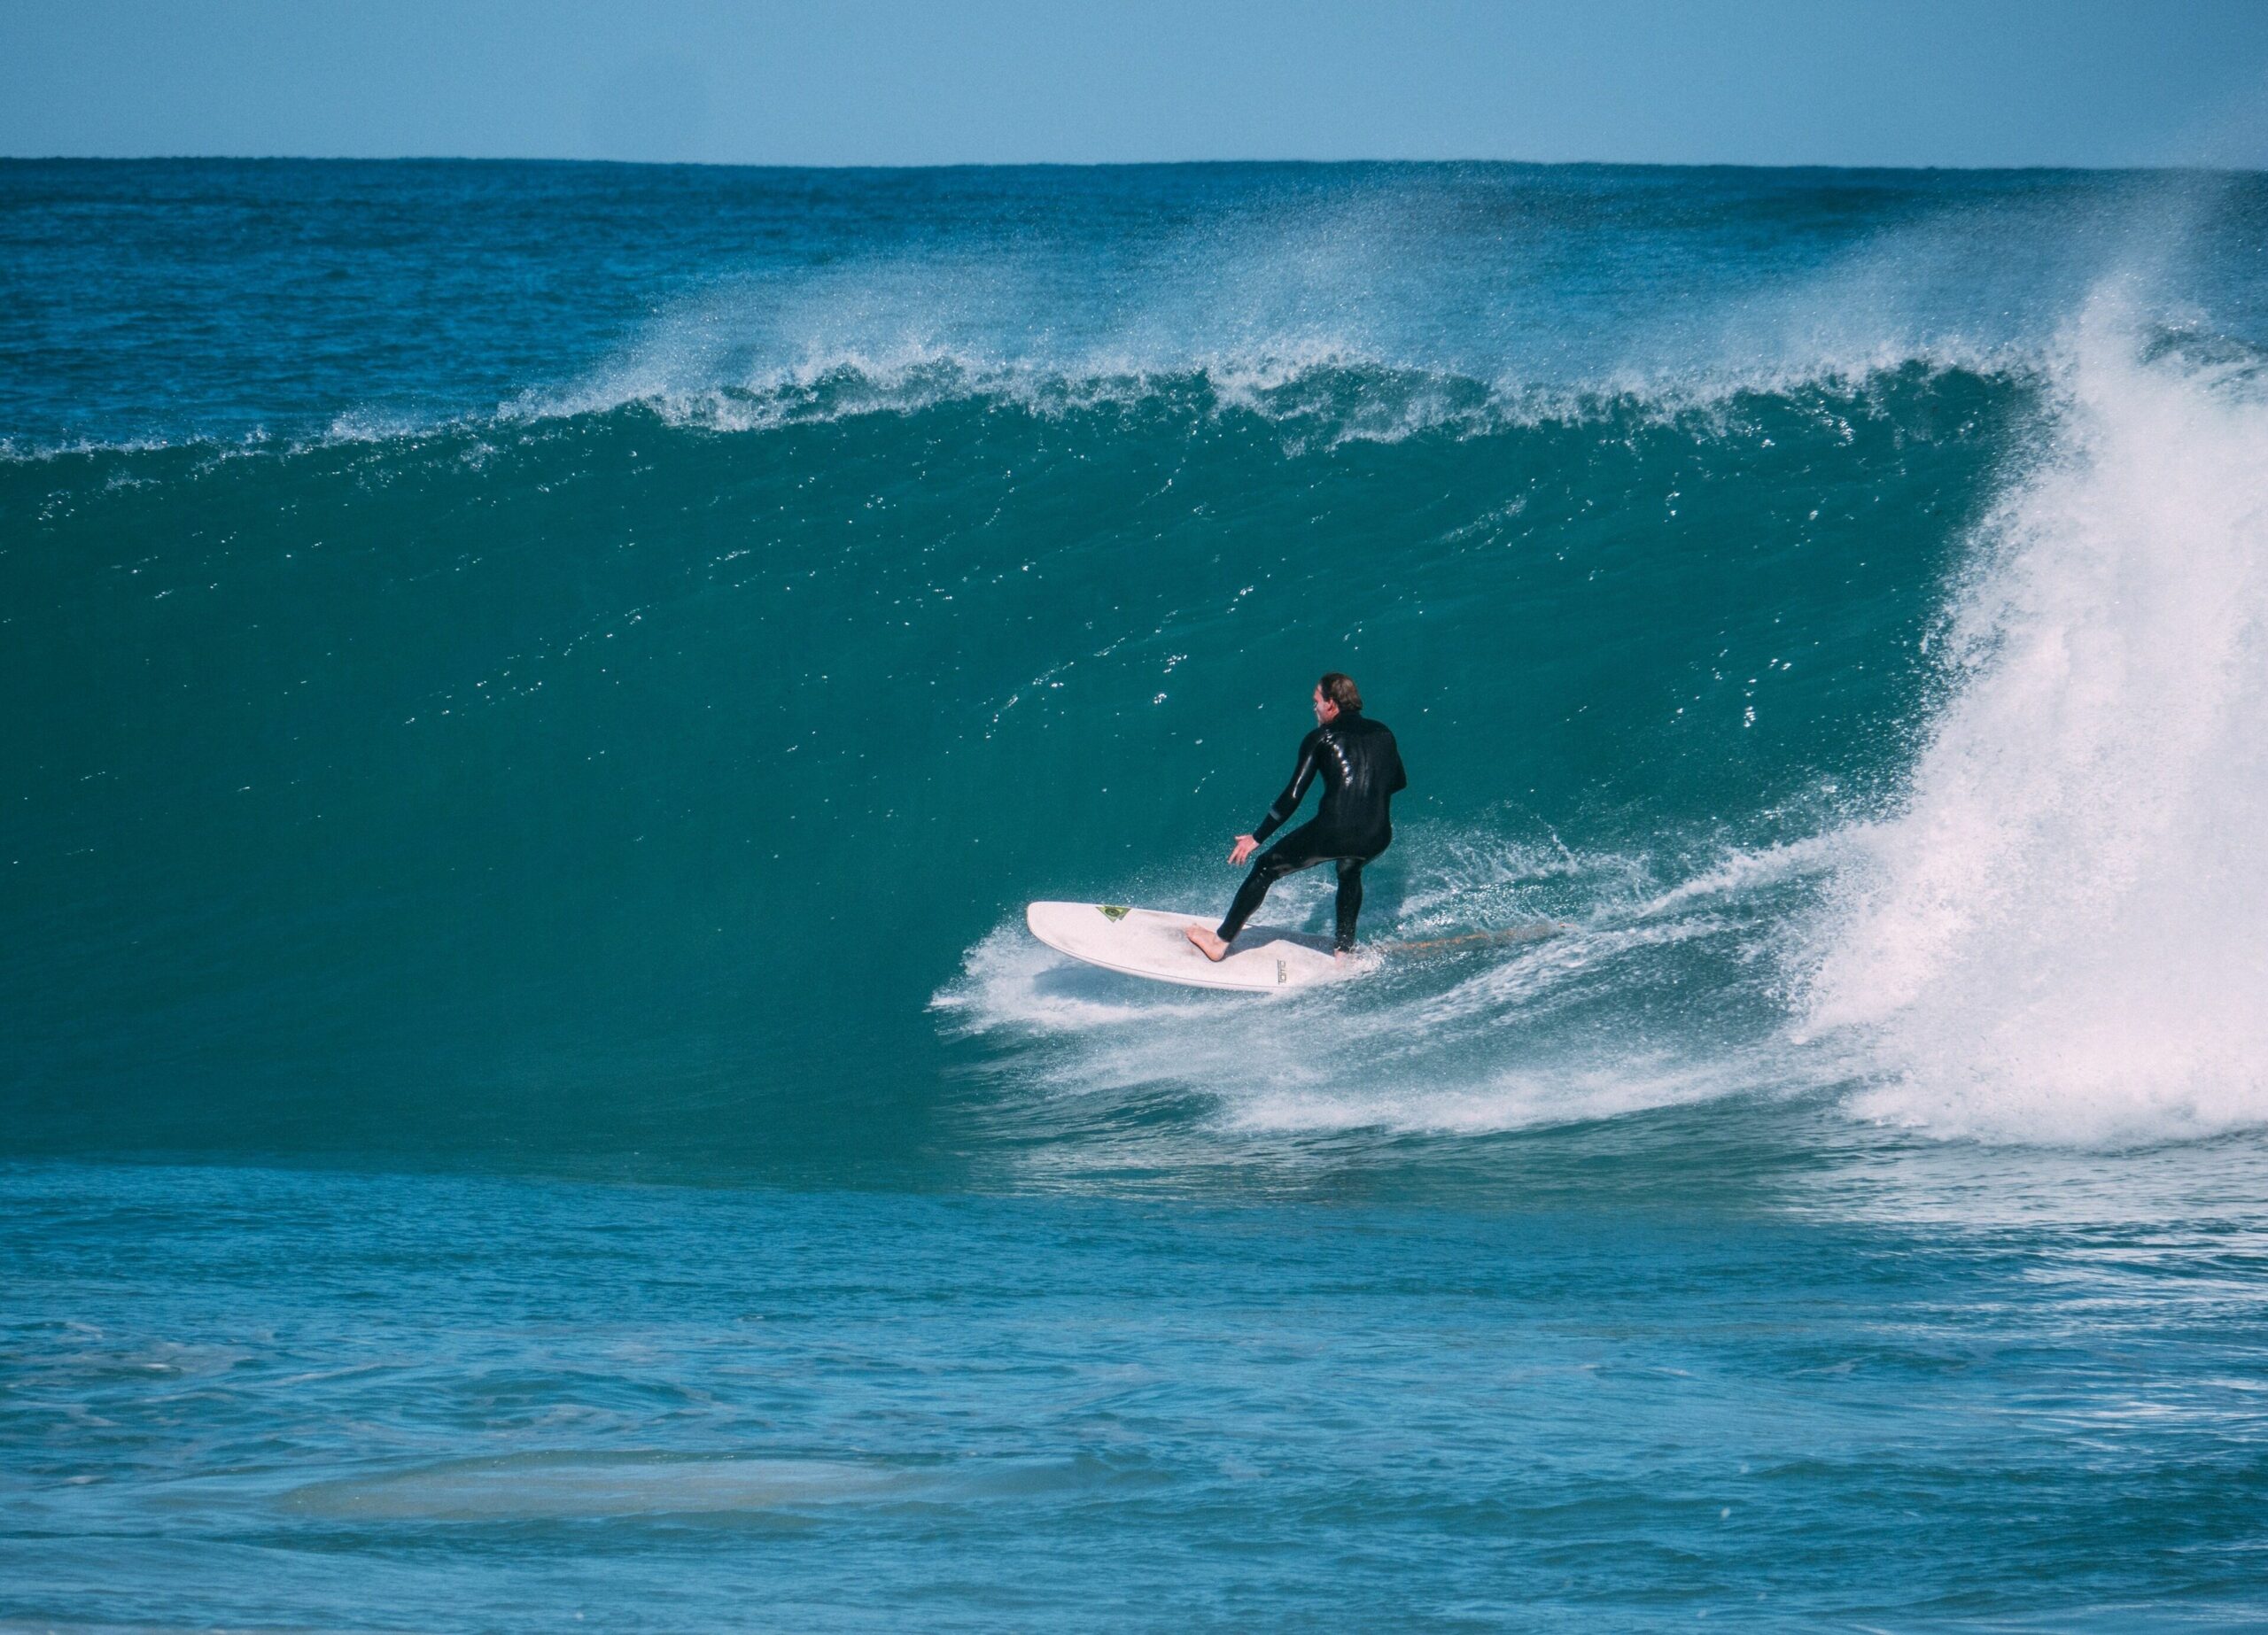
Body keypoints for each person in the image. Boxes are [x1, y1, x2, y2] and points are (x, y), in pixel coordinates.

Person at [1186, 671, 1406, 962]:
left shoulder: (1321, 737)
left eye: (1316, 701)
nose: (1314, 708)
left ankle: (1219, 942)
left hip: (1335, 830)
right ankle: (1344, 952)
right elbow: (1398, 781)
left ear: (1332, 704)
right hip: (1377, 835)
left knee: (1266, 868)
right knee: (1350, 870)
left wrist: (1257, 837)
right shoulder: (1383, 733)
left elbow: (1292, 796)